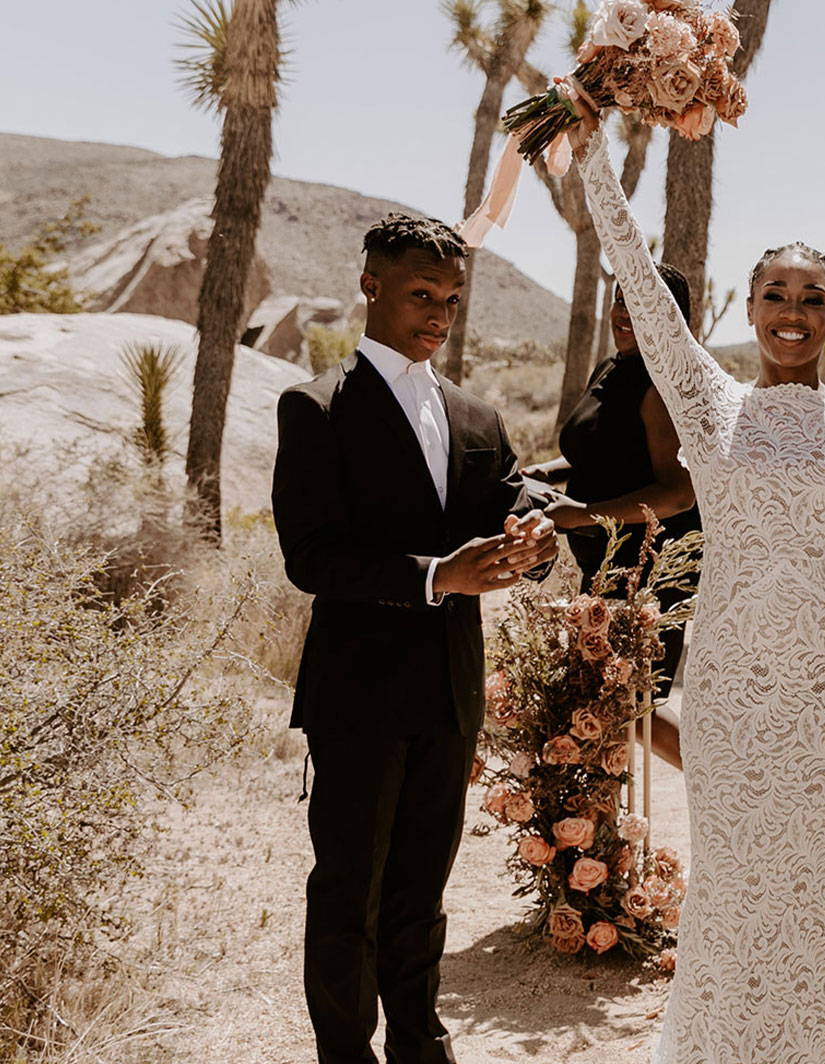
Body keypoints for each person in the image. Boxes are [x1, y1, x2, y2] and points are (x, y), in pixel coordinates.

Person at [568, 105, 825, 1064]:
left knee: (823, 894)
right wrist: (585, 146)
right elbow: (635, 274)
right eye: (775, 294)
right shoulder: (709, 406)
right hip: (735, 695)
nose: (793, 312)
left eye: (814, 296)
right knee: (738, 889)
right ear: (746, 310)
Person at [271, 213, 557, 1064]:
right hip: (357, 693)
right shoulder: (316, 406)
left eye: (452, 299)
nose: (438, 314)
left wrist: (535, 539)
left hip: (449, 690)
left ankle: (420, 1045)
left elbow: (513, 503)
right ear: (371, 286)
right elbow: (311, 558)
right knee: (349, 890)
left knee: (423, 888)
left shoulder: (475, 414)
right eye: (421, 295)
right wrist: (438, 576)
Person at [522, 264, 701, 768]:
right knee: (599, 704)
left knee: (631, 705)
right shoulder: (611, 367)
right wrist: (544, 472)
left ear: (669, 316)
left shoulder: (660, 386)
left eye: (641, 303)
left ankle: (726, 789)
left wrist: (581, 515)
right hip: (603, 569)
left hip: (648, 574)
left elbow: (678, 493)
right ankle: (601, 836)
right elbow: (600, 453)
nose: (626, 313)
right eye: (621, 299)